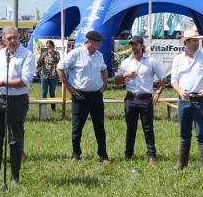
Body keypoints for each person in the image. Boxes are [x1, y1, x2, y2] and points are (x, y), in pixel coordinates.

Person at [0, 26, 35, 187]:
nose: (13, 41)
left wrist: (2, 82)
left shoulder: (27, 55)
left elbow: (24, 81)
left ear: (19, 38)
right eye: (9, 38)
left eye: (15, 37)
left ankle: (15, 178)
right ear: (3, 40)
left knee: (15, 140)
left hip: (17, 101)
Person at [57, 30, 110, 163]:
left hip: (97, 96)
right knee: (77, 127)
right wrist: (69, 87)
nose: (100, 44)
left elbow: (104, 69)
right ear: (90, 41)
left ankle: (103, 155)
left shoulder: (99, 55)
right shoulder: (76, 53)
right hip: (80, 96)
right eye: (98, 42)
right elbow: (60, 68)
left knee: (100, 127)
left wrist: (105, 84)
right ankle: (76, 154)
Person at [171, 29, 203, 172]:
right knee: (184, 132)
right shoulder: (178, 59)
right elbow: (174, 81)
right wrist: (180, 92)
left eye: (198, 40)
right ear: (186, 42)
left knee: (201, 133)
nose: (197, 42)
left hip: (200, 100)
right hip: (183, 100)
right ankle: (181, 164)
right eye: (194, 40)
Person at [114, 35, 165, 164]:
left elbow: (163, 79)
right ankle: (128, 154)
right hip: (130, 98)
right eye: (132, 45)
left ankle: (152, 155)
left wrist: (158, 93)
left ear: (142, 46)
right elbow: (116, 81)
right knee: (130, 128)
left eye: (136, 45)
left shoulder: (151, 61)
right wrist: (126, 74)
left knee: (148, 128)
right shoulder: (126, 62)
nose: (134, 47)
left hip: (145, 98)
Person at [36, 40, 60, 111]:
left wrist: (52, 53)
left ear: (53, 46)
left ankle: (53, 108)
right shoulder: (44, 53)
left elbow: (57, 61)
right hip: (44, 75)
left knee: (52, 92)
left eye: (50, 46)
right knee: (44, 92)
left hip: (53, 75)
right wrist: (40, 56)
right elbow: (39, 63)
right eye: (47, 47)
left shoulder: (56, 53)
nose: (48, 48)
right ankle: (43, 109)